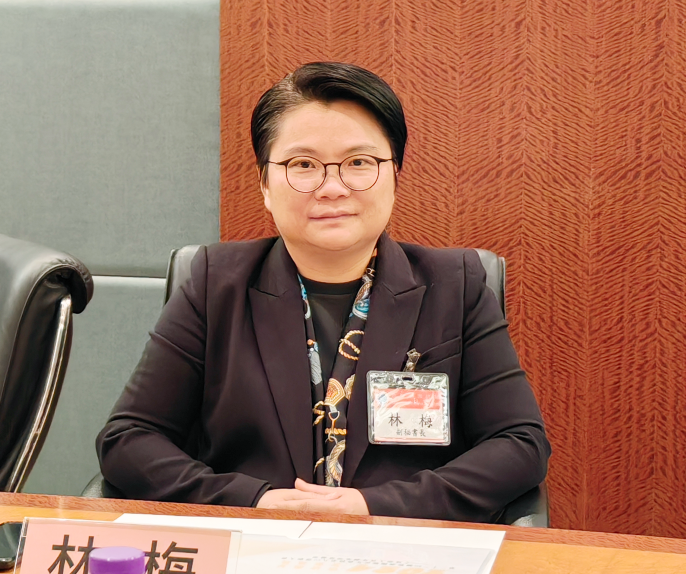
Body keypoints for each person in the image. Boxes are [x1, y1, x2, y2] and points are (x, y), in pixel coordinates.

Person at [96, 62, 550, 522]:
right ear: (264, 184)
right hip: (250, 544)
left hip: (403, 543)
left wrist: (375, 505)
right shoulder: (215, 283)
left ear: (395, 175)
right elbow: (128, 439)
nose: (332, 188)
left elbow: (519, 444)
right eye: (303, 165)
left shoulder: (456, 285)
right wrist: (254, 501)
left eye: (359, 163)